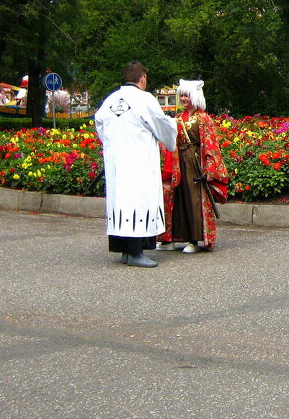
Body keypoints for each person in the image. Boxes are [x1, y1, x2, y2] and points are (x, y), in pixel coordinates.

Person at [94, 62, 177, 268]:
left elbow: (100, 125)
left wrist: (114, 146)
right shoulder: (144, 99)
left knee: (122, 202)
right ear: (142, 79)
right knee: (137, 203)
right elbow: (161, 124)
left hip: (117, 163)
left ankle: (125, 251)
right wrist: (172, 129)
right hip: (138, 162)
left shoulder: (110, 100)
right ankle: (136, 252)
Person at [156, 79, 229, 253]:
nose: (183, 98)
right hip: (178, 162)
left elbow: (211, 145)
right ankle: (171, 239)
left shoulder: (204, 118)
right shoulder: (178, 118)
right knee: (176, 198)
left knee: (193, 199)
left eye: (187, 94)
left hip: (195, 163)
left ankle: (193, 240)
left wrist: (210, 168)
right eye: (182, 94)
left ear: (194, 96)